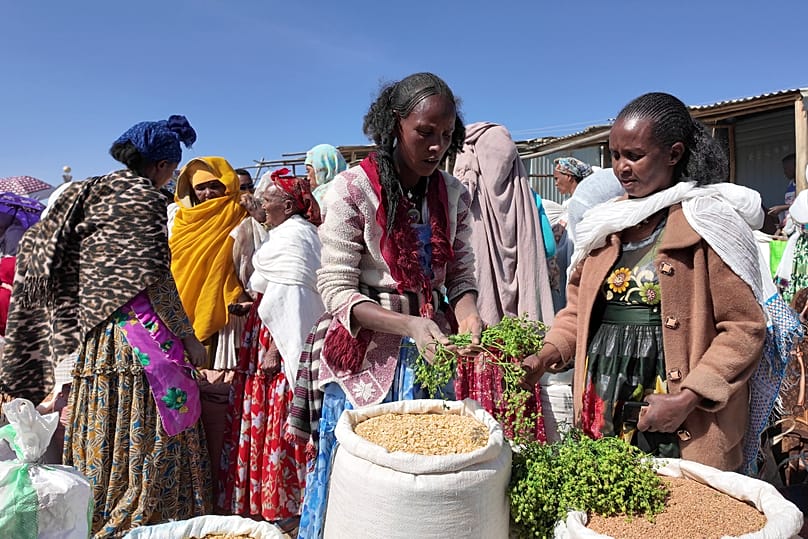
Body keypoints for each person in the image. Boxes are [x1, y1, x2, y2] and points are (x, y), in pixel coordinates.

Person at [522, 92, 778, 473]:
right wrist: (546, 355)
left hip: (678, 411)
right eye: (615, 156)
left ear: (673, 154)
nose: (622, 168)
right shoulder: (605, 226)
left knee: (677, 513)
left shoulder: (707, 222)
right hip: (603, 396)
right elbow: (577, 312)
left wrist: (688, 398)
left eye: (635, 156)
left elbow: (743, 328)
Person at [0, 115, 211, 537]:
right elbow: (157, 279)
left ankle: (97, 503)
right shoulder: (146, 199)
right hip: (139, 335)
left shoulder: (91, 192)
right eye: (172, 167)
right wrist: (189, 338)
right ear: (160, 165)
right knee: (156, 418)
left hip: (98, 334)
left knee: (104, 415)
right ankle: (147, 510)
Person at [292, 72, 480, 538]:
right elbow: (335, 286)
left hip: (432, 347)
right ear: (395, 125)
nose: (437, 146)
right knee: (359, 477)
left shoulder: (452, 195)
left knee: (426, 475)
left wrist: (469, 312)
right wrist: (408, 325)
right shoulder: (355, 190)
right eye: (424, 133)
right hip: (364, 353)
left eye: (446, 135)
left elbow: (460, 275)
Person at [219, 170, 323, 532]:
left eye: (269, 197)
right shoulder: (290, 236)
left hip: (275, 346)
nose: (262, 202)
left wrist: (276, 350)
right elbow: (278, 293)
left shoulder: (295, 238)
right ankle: (266, 501)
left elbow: (293, 304)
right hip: (263, 335)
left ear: (289, 204)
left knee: (278, 418)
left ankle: (283, 502)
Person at [170, 156, 261, 370]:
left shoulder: (240, 208)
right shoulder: (182, 219)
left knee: (224, 376)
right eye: (200, 188)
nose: (208, 193)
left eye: (214, 186)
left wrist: (258, 214)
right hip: (187, 304)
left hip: (231, 309)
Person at [304, 143, 348, 211]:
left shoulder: (322, 197)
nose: (308, 178)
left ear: (322, 169)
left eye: (308, 171)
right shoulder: (348, 188)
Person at [768, 153, 797, 223]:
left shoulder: (804, 185)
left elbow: (802, 204)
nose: (785, 172)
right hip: (789, 222)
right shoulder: (791, 184)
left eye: (787, 168)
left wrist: (781, 208)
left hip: (800, 224)